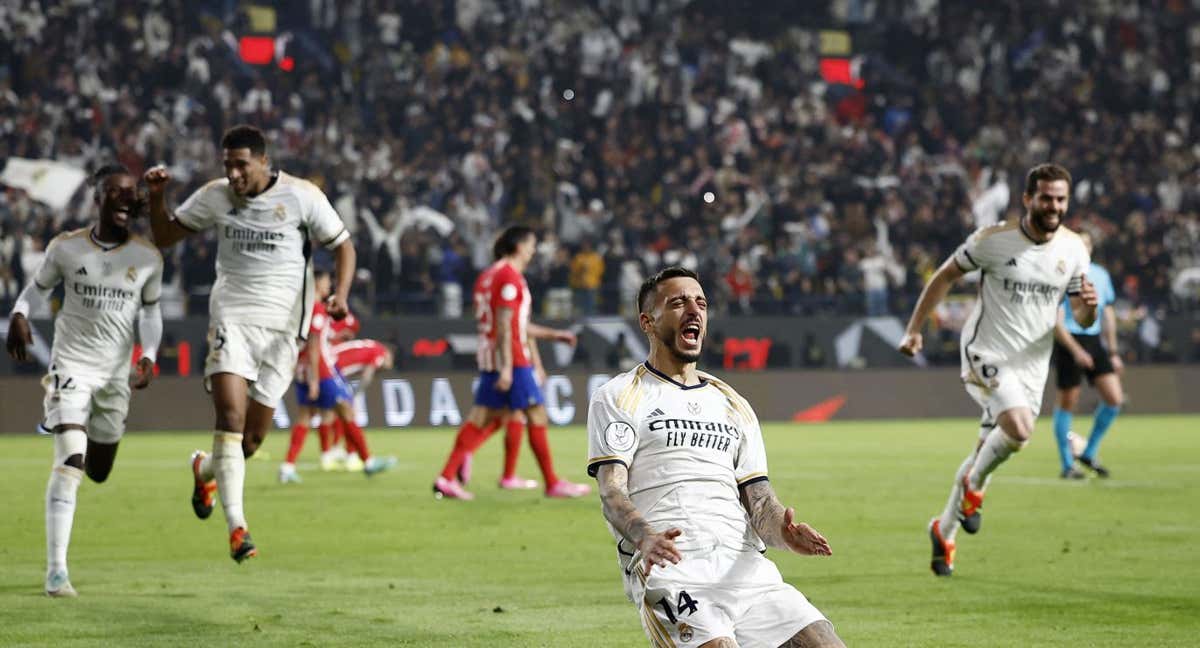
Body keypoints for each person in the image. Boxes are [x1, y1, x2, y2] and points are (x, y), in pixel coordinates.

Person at [587, 266, 844, 648]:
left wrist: (784, 533)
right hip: (674, 570)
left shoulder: (732, 403)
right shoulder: (619, 395)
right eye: (678, 303)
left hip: (746, 568)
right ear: (648, 322)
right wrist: (644, 537)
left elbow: (760, 503)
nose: (694, 310)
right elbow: (611, 493)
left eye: (701, 303)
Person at [144, 124, 356, 562]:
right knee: (231, 417)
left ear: (264, 161)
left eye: (241, 165)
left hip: (283, 331)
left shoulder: (301, 197)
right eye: (228, 166)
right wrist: (156, 196)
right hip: (232, 321)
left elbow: (344, 246)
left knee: (252, 441)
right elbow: (164, 237)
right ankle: (237, 528)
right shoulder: (216, 196)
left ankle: (204, 469)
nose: (234, 174)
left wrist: (341, 294)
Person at [899, 163, 1098, 577]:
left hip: (1031, 366)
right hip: (986, 351)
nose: (1054, 206)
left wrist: (1090, 305)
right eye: (1046, 197)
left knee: (996, 444)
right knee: (1020, 428)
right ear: (1028, 199)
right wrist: (915, 329)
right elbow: (945, 275)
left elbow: (1078, 312)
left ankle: (945, 529)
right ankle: (973, 485)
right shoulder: (993, 240)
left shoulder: (1075, 248)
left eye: (1060, 199)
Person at [6, 164, 164, 596]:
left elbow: (150, 312)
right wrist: (20, 313)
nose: (123, 198)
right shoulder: (66, 248)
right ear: (99, 198)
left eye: (129, 193)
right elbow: (36, 290)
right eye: (114, 191)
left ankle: (83, 450)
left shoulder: (148, 257)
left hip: (114, 376)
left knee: (98, 470)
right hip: (71, 366)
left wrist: (148, 354)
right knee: (72, 457)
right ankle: (57, 571)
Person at [433, 225, 589, 500]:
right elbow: (506, 326)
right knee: (535, 414)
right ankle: (552, 482)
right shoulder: (509, 277)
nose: (533, 250)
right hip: (512, 358)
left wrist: (554, 335)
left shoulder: (488, 275)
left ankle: (447, 477)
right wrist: (507, 367)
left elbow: (514, 324)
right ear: (519, 246)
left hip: (491, 355)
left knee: (483, 418)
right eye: (531, 244)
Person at [279, 270, 395, 483]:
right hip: (320, 370)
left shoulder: (299, 308)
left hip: (301, 369)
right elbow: (314, 345)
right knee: (346, 410)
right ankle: (366, 461)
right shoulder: (316, 309)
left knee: (305, 417)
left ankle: (287, 467)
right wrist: (315, 379)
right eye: (325, 281)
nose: (328, 286)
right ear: (316, 283)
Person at [1051, 231, 1122, 479]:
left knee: (1114, 399)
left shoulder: (1101, 275)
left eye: (1087, 244)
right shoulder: (1061, 274)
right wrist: (1076, 351)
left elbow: (1108, 313)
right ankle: (1067, 464)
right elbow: (1056, 322)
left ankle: (1089, 452)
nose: (1084, 247)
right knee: (1068, 401)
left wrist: (1112, 351)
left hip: (1094, 340)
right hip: (1069, 340)